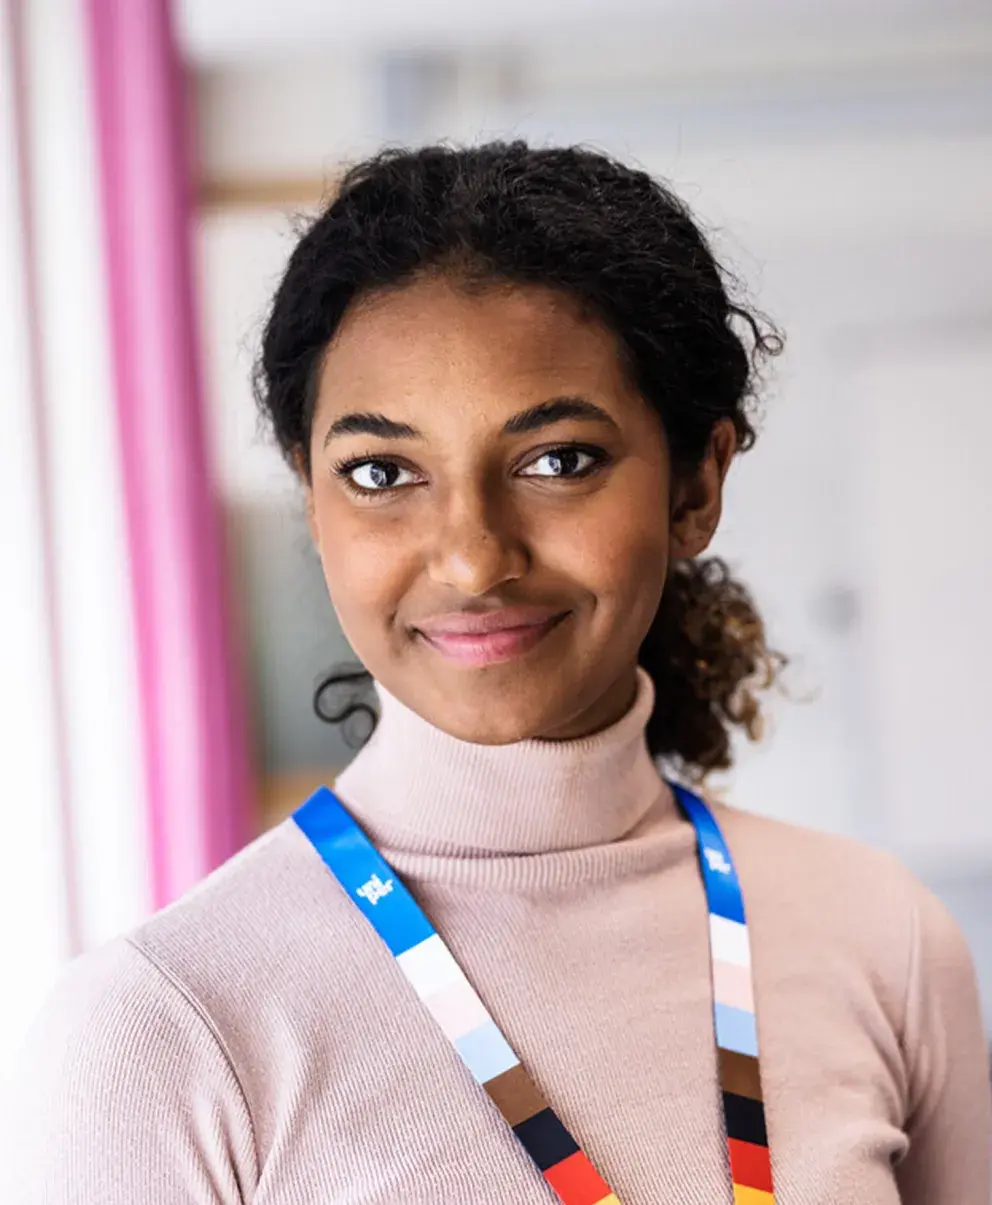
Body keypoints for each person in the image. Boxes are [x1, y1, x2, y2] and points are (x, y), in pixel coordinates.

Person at [6, 142, 990, 1204]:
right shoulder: (170, 1023)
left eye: (556, 459)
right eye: (381, 473)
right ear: (313, 503)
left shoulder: (876, 933)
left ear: (695, 483)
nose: (473, 556)